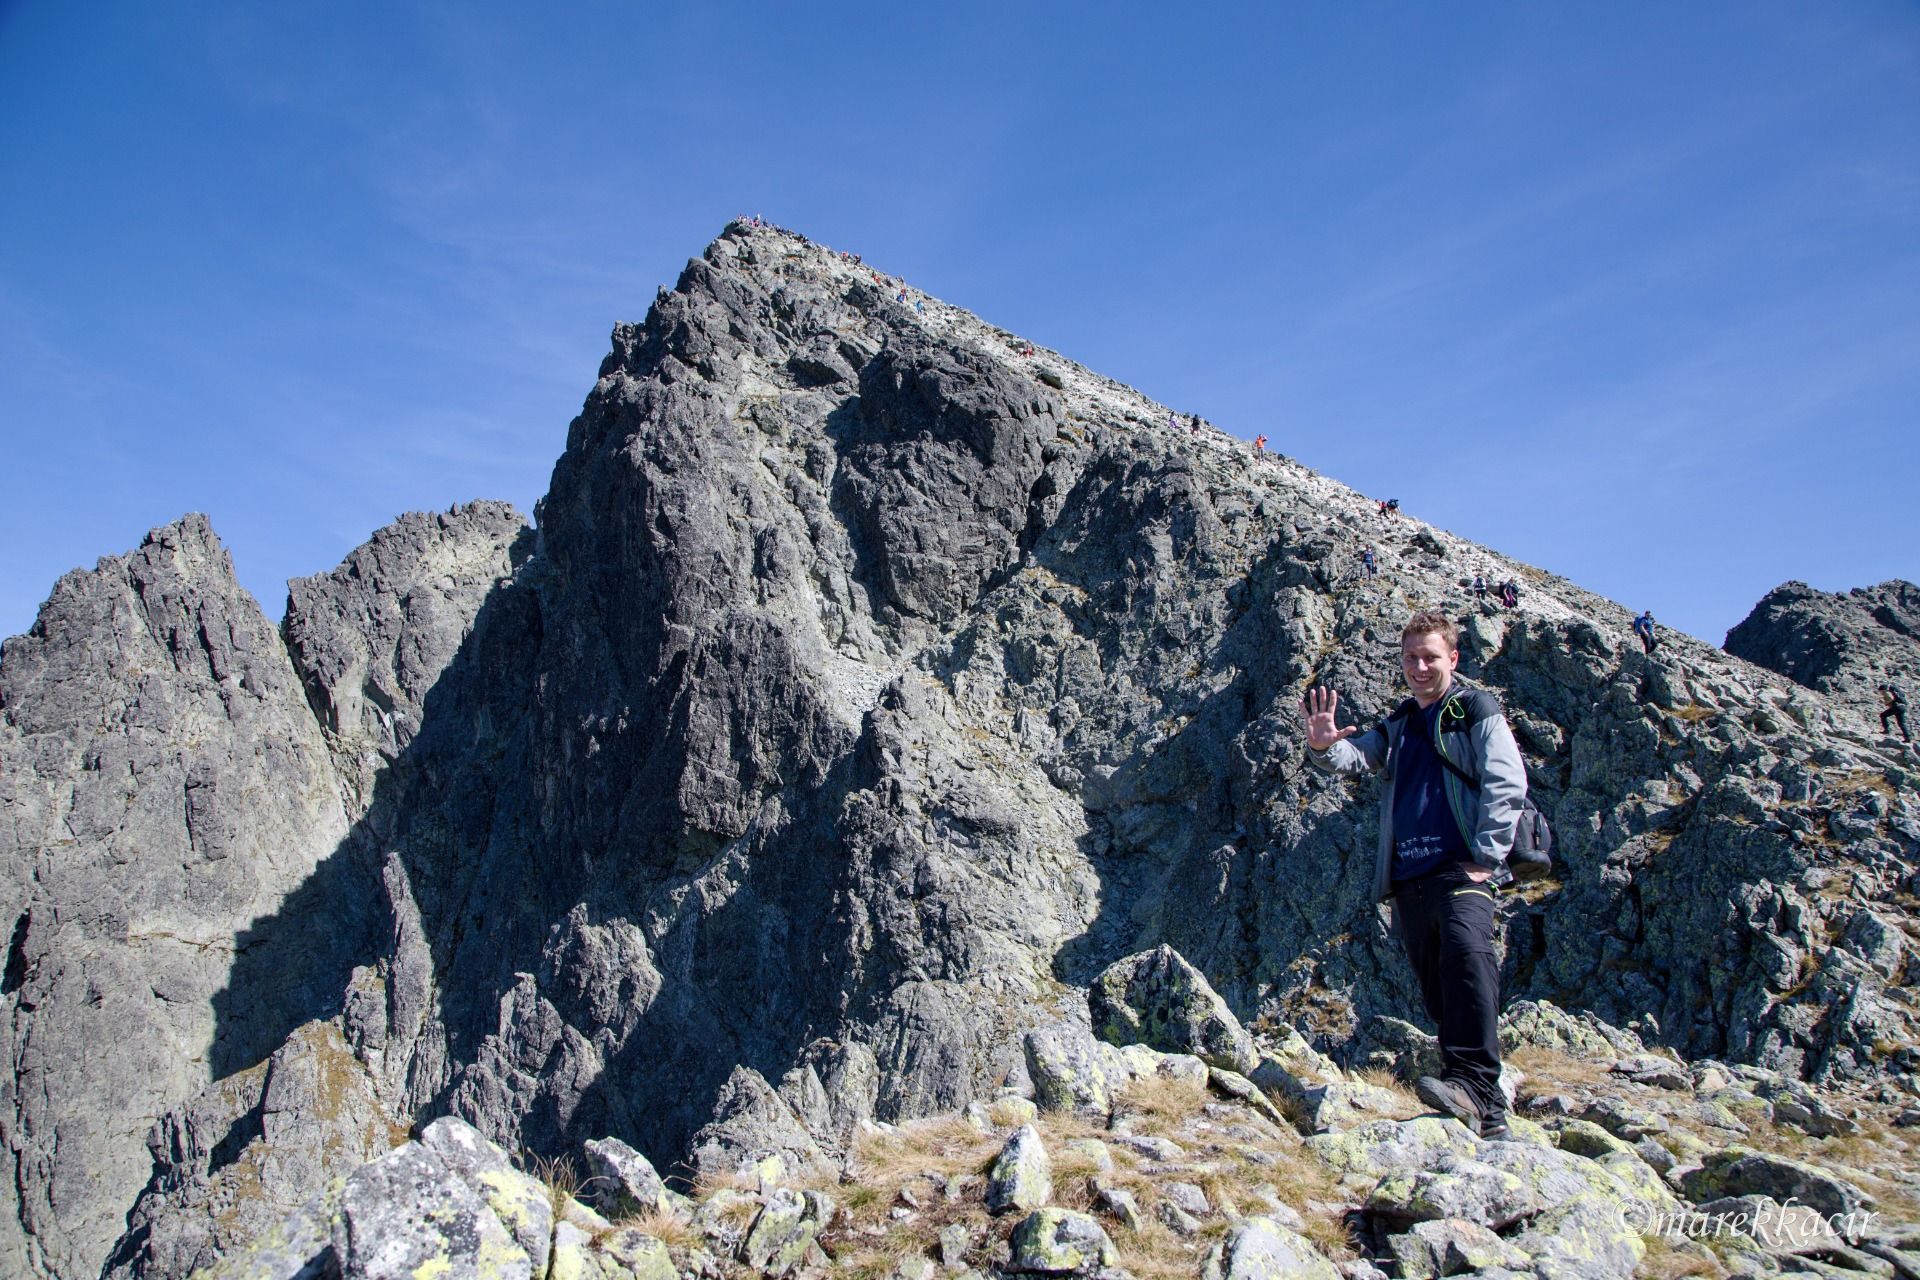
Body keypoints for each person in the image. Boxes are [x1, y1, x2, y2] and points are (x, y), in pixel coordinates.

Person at [1300, 612, 1528, 1139]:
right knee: (1438, 986)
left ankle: (1480, 1090)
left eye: (1430, 656)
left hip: (1460, 870)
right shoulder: (1402, 722)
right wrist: (1321, 745)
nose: (1420, 666)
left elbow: (1505, 780)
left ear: (1453, 658)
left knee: (1469, 960)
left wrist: (1487, 859)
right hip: (1410, 877)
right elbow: (1355, 760)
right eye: (1410, 657)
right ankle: (1474, 1103)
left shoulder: (1474, 709)